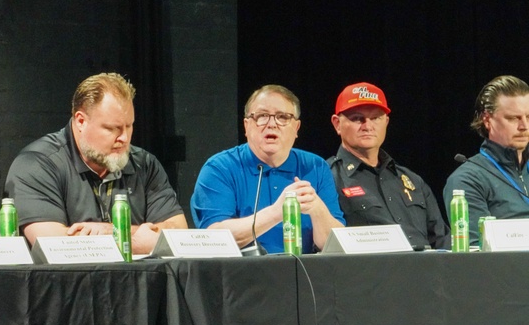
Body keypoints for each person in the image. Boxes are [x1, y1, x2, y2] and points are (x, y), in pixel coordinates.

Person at [4, 72, 187, 254]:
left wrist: (110, 230)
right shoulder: (38, 164)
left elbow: (178, 232)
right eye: (112, 128)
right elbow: (56, 245)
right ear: (81, 121)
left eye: (129, 126)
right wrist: (138, 239)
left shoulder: (145, 164)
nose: (124, 138)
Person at [191, 84, 344, 253]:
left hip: (305, 275)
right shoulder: (219, 168)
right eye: (262, 116)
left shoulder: (316, 166)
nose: (272, 124)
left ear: (296, 128)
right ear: (246, 126)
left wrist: (317, 209)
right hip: (241, 275)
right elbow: (213, 239)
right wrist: (277, 212)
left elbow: (335, 245)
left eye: (283, 117)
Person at [328, 82, 448, 250]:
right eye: (357, 118)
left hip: (427, 271)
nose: (368, 126)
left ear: (386, 122)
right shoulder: (327, 178)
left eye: (376, 118)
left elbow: (442, 241)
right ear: (337, 124)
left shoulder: (412, 180)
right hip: (372, 273)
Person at [444, 75, 529, 246]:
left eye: (528, 117)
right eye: (513, 118)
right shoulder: (467, 180)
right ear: (487, 120)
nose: (524, 126)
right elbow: (477, 251)